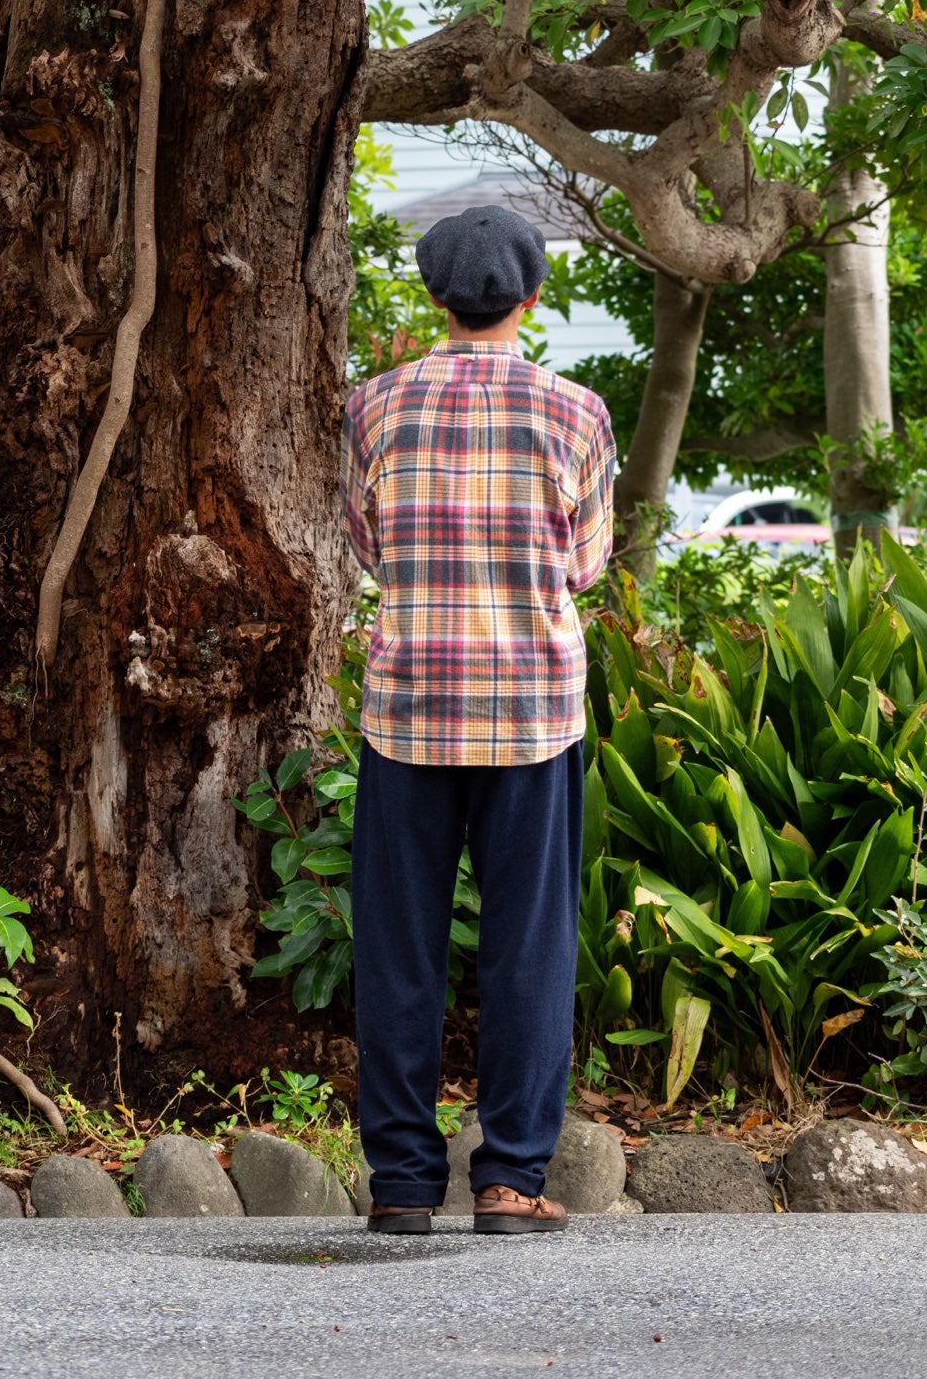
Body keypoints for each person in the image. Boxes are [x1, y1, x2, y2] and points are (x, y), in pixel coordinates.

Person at [339, 203, 615, 1236]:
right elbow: (584, 564)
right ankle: (509, 1180)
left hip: (408, 706)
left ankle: (404, 1184)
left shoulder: (371, 407)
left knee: (400, 949)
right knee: (529, 947)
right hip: (534, 710)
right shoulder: (574, 412)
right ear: (531, 299)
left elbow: (368, 547)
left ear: (432, 297)